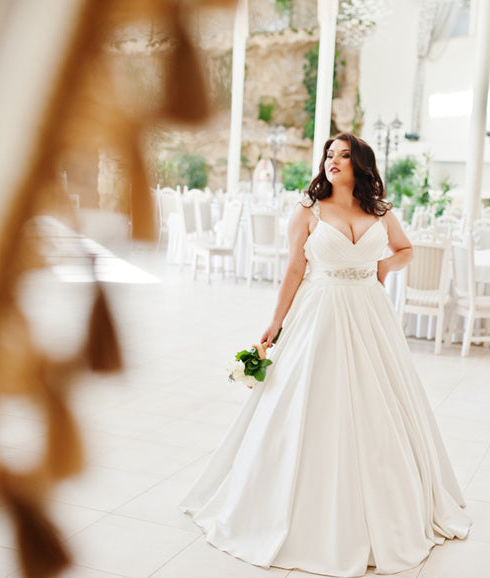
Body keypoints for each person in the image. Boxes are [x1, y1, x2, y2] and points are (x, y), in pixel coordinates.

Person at [180, 133, 471, 577]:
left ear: (361, 164)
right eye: (329, 155)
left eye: (344, 155)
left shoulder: (380, 211)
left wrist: (382, 267)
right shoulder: (308, 211)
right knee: (311, 404)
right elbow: (295, 268)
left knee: (381, 407)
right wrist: (274, 325)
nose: (333, 161)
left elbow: (405, 249)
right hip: (320, 314)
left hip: (371, 316)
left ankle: (391, 504)